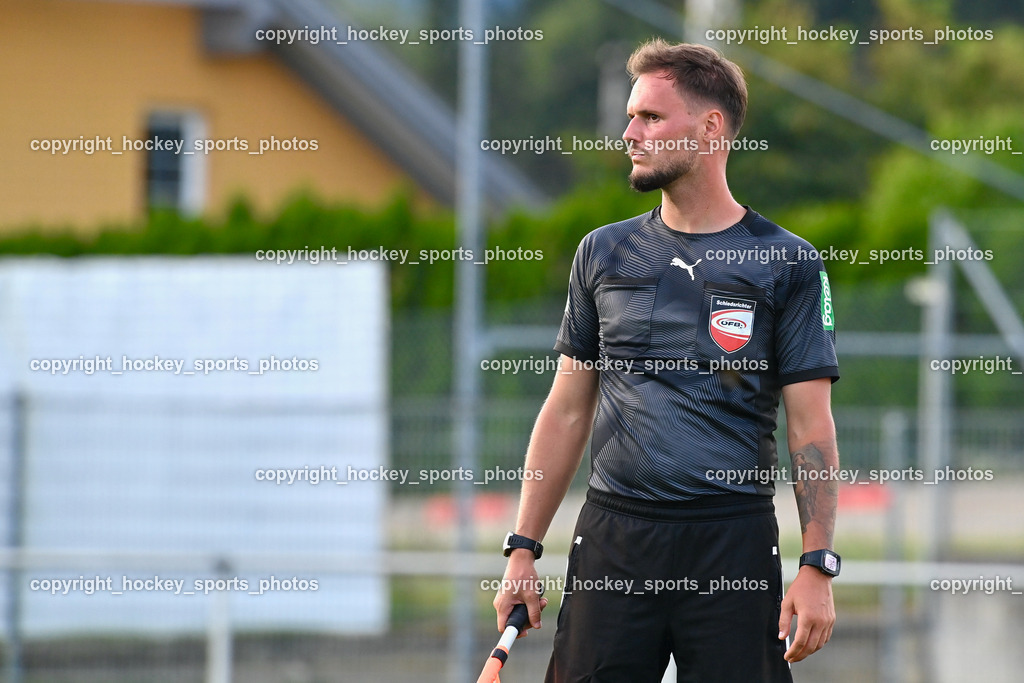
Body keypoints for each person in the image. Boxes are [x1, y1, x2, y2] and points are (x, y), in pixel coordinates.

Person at [492, 38, 841, 682]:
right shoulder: (603, 253)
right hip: (615, 541)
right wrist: (522, 549)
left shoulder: (788, 261)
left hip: (731, 544)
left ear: (710, 128)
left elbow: (810, 429)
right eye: (631, 117)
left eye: (650, 117)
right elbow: (567, 411)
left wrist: (817, 565)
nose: (629, 133)